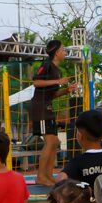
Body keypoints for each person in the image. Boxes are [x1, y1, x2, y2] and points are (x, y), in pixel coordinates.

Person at [31, 39, 78, 186]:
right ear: (56, 53)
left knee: (55, 142)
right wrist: (58, 82)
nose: (65, 52)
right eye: (63, 50)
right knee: (50, 141)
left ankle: (48, 175)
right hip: (40, 108)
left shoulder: (57, 70)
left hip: (48, 107)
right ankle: (41, 176)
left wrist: (66, 90)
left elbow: (52, 93)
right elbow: (36, 83)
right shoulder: (46, 66)